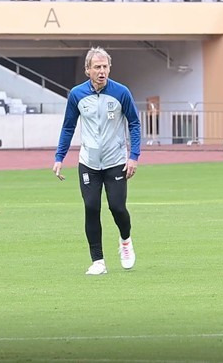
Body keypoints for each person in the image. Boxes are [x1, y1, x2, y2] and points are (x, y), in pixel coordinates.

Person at [53, 47, 141, 275]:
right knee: (91, 207)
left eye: (105, 67)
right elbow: (68, 126)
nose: (102, 71)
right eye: (97, 67)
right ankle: (98, 261)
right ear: (87, 70)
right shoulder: (77, 95)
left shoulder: (121, 92)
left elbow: (134, 123)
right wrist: (59, 157)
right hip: (89, 162)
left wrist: (134, 156)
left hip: (115, 161)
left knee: (117, 207)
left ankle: (125, 241)